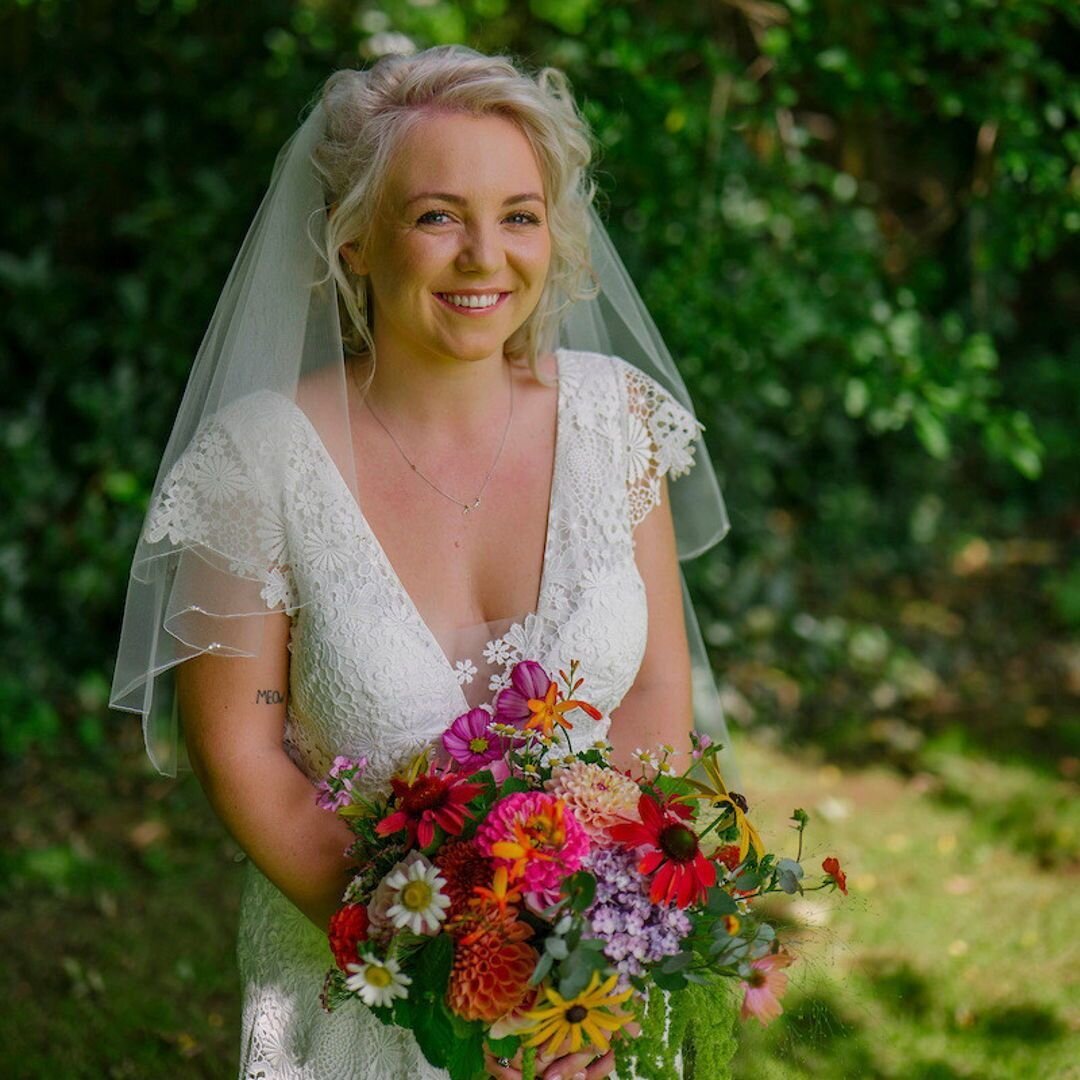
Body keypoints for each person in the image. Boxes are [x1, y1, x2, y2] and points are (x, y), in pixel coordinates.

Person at [110, 44, 734, 1080]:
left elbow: (660, 688)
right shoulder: (257, 461)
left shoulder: (616, 419)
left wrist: (589, 949)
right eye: (437, 215)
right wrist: (448, 969)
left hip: (587, 1001)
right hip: (360, 980)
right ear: (354, 239)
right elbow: (243, 755)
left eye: (519, 215)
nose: (485, 256)